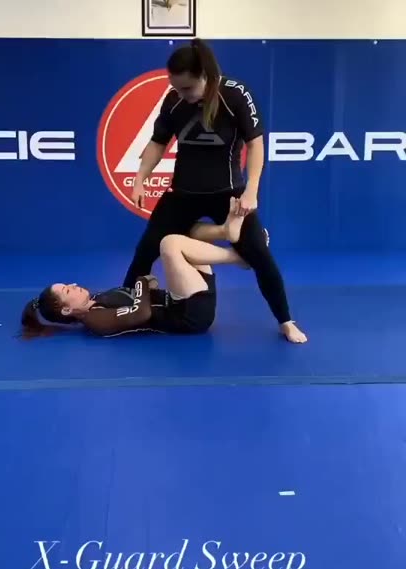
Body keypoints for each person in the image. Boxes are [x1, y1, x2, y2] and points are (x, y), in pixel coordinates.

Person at [122, 37, 307, 344]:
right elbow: (157, 143)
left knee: (260, 255)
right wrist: (140, 178)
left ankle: (286, 321)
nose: (181, 94)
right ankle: (124, 305)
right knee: (146, 249)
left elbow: (256, 145)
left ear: (205, 77)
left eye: (187, 88)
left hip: (228, 193)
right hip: (183, 193)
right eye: (176, 87)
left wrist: (251, 192)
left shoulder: (235, 95)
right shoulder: (174, 100)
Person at [20, 201, 250, 339]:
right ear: (67, 310)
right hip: (188, 316)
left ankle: (226, 232)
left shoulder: (99, 298)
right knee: (169, 244)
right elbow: (140, 313)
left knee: (187, 231)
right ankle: (240, 257)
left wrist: (147, 287)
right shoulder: (95, 320)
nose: (73, 285)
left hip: (183, 299)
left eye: (68, 284)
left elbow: (138, 298)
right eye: (67, 291)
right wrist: (142, 283)